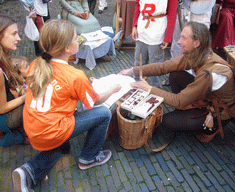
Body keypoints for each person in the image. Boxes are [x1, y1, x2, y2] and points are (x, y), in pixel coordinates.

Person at [12, 19, 121, 192]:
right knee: (104, 113)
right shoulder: (75, 75)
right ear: (67, 48)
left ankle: (28, 171)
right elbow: (95, 102)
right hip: (51, 130)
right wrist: (114, 89)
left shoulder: (36, 63)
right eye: (76, 38)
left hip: (32, 127)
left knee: (63, 147)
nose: (78, 40)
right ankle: (89, 157)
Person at [120, 21, 235, 143]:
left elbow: (178, 101)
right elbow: (163, 67)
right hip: (208, 96)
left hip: (219, 111)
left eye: (184, 38)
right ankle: (188, 109)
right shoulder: (197, 54)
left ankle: (214, 127)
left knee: (166, 122)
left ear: (196, 43)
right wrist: (132, 70)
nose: (179, 41)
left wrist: (149, 89)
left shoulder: (209, 73)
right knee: (175, 75)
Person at [163, 0, 215, 86]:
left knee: (199, 44)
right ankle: (174, 76)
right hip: (183, 6)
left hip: (202, 8)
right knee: (178, 43)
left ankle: (198, 80)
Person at [132, 0, 178, 88]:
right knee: (139, 61)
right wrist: (134, 25)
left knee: (155, 66)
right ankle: (136, 87)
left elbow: (172, 13)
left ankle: (155, 90)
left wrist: (168, 36)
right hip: (142, 29)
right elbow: (138, 6)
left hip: (158, 30)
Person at [0, 15, 29, 146]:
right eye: (14, 34)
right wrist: (26, 97)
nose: (19, 38)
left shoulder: (5, 60)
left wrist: (22, 90)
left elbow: (11, 87)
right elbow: (2, 108)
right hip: (6, 118)